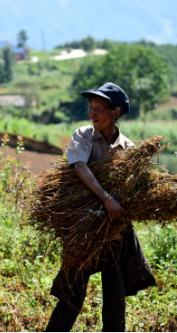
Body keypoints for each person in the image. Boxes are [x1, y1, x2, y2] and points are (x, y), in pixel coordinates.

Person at [45, 82, 156, 332]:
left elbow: (134, 195)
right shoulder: (83, 135)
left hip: (114, 234)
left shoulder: (129, 150)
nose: (92, 113)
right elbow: (79, 166)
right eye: (91, 108)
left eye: (99, 108)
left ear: (115, 112)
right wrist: (106, 198)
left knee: (115, 298)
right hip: (83, 232)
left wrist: (122, 215)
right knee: (73, 293)